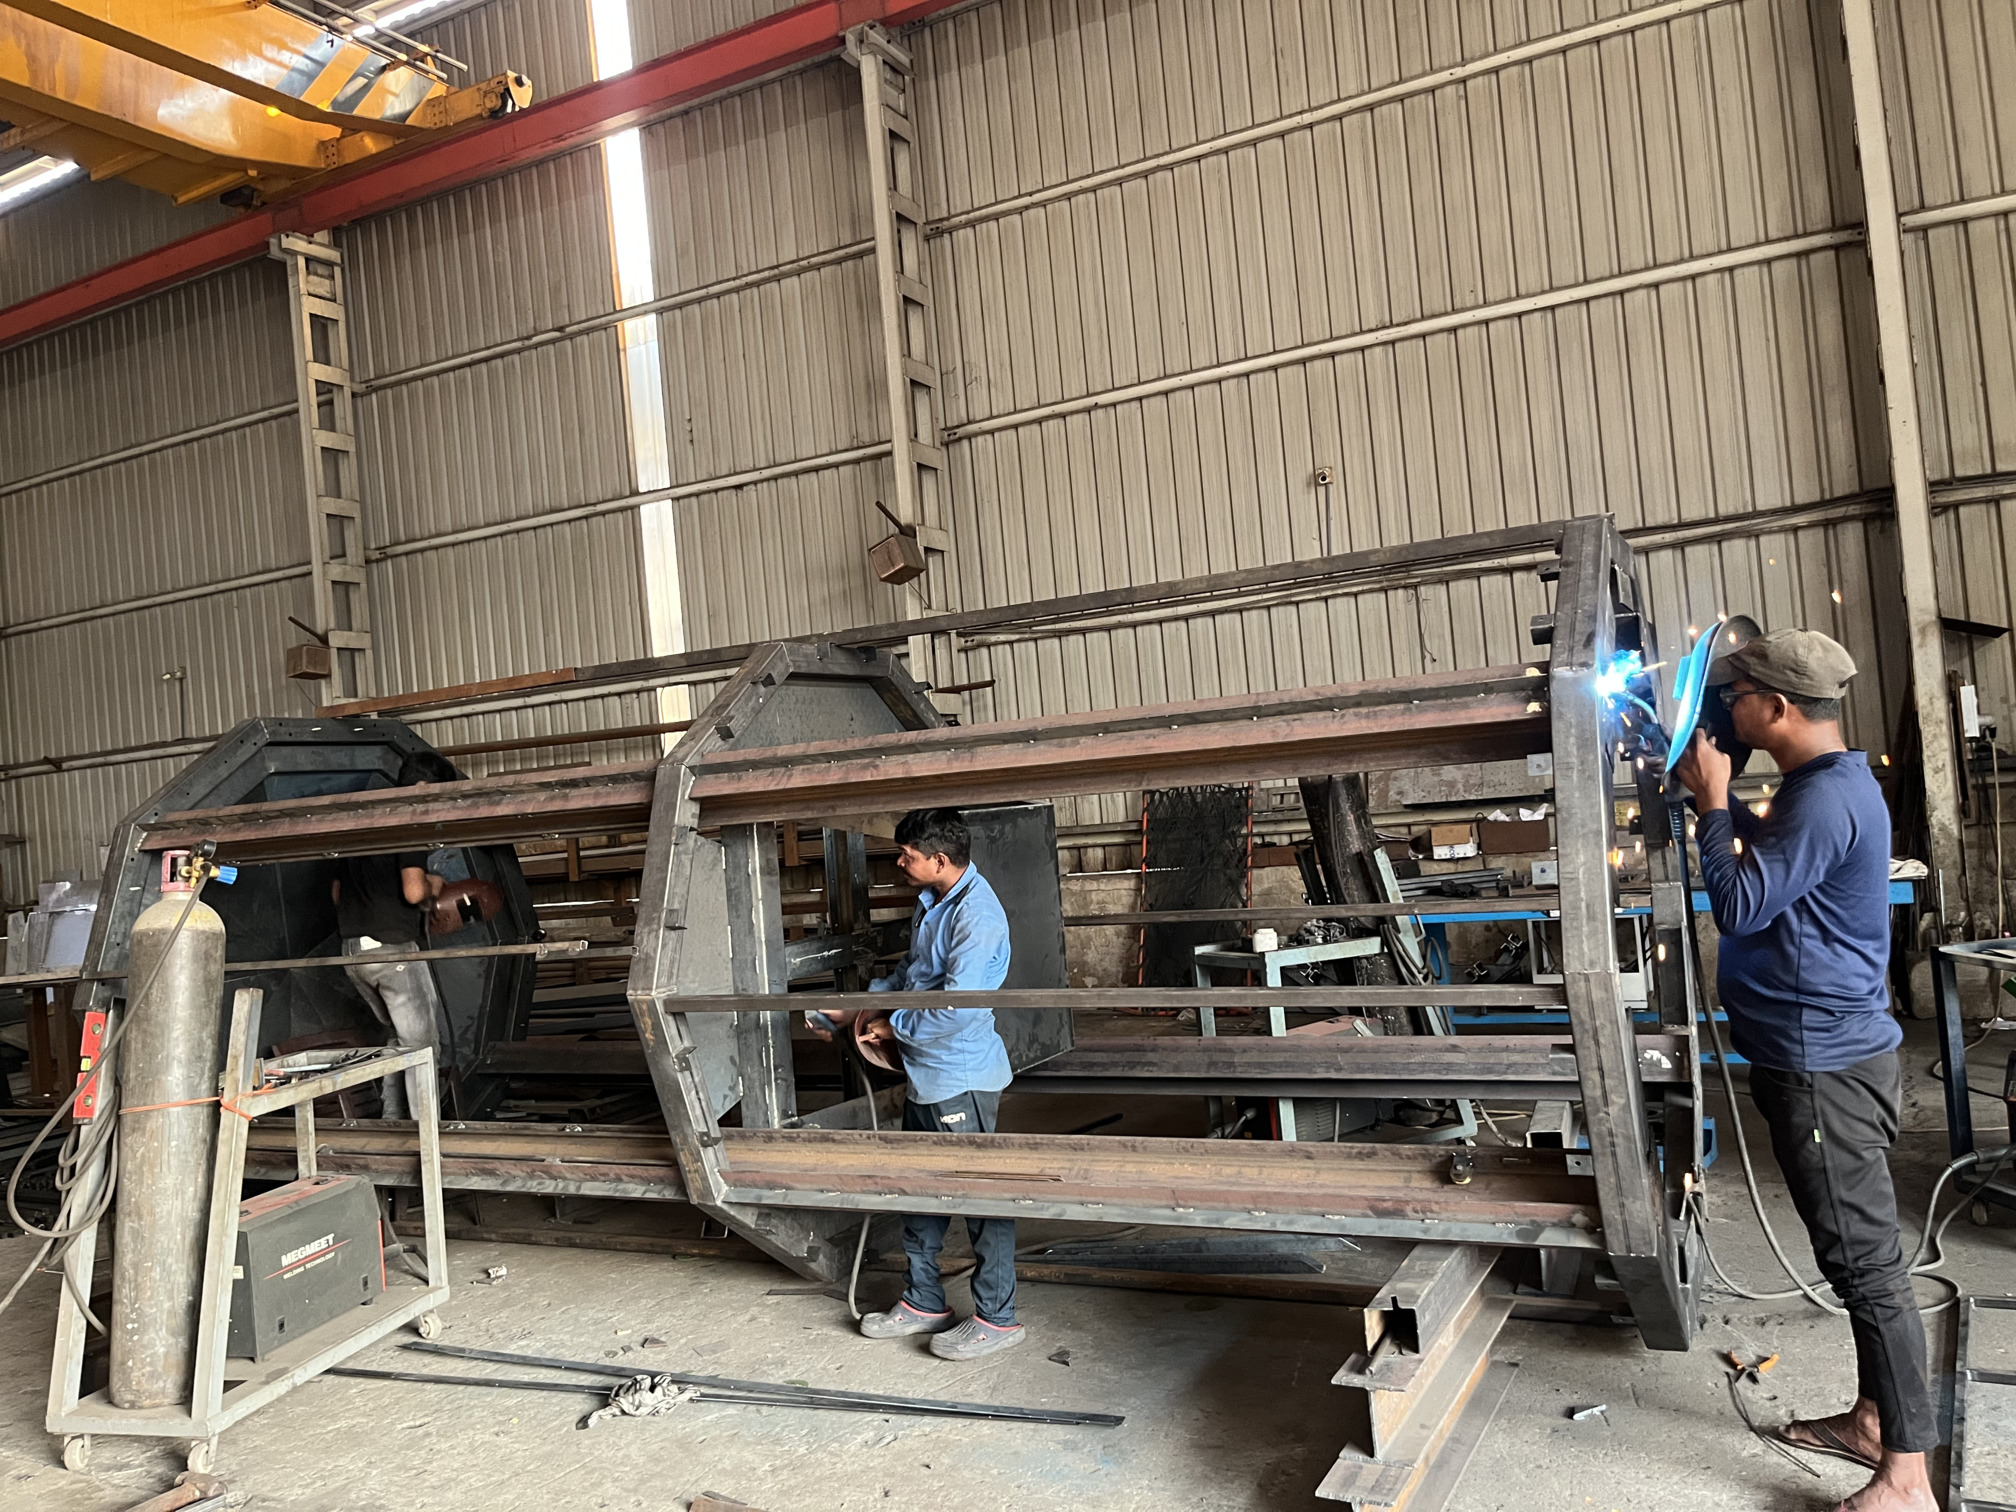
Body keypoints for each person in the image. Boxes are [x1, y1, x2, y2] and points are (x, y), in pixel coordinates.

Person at [1672, 628, 1935, 1512]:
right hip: (1823, 1055)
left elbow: (1742, 906)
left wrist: (1716, 800)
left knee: (1867, 1270)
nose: (1727, 712)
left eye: (1736, 698)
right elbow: (1788, 871)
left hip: (1825, 1070)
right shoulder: (1824, 786)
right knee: (1857, 1258)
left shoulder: (1822, 797)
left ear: (1777, 707)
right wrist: (1726, 811)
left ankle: (1906, 1479)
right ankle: (1873, 1422)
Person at [805, 807, 1021, 1361]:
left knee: (981, 1196)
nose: (900, 863)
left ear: (940, 860)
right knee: (920, 1187)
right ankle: (924, 1300)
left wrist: (892, 1025)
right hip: (927, 1072)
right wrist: (856, 1008)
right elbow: (913, 977)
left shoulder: (977, 916)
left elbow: (956, 1006)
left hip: (960, 1076)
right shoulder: (934, 903)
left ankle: (998, 1318)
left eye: (908, 856)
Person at [332, 850, 446, 1121]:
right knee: (422, 1047)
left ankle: (392, 1117)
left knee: (398, 1035)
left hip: (353, 952)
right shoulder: (407, 834)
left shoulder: (346, 839)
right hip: (392, 950)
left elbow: (337, 895)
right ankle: (427, 1131)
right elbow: (414, 892)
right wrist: (434, 884)